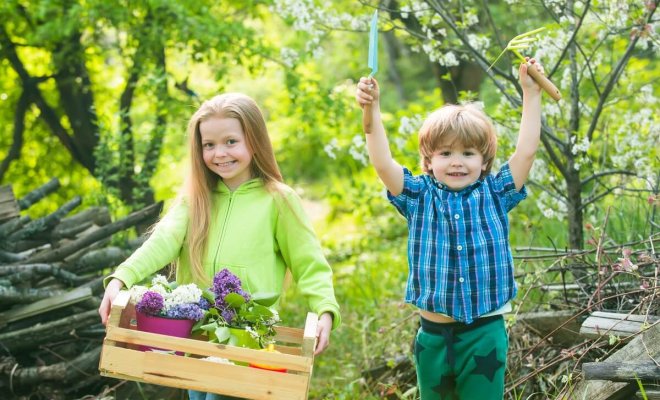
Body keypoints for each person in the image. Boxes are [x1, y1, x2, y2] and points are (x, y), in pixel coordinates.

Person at [98, 93, 341, 400]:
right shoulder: (194, 199)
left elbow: (310, 263)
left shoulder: (278, 200)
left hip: (245, 340)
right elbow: (162, 241)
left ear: (254, 140)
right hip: (195, 338)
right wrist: (122, 277)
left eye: (230, 141)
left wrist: (324, 311)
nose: (219, 153)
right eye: (209, 145)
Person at [355, 58, 543, 399]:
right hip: (433, 336)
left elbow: (526, 151)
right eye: (445, 153)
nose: (457, 161)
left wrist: (531, 94)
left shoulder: (495, 192)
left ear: (484, 161)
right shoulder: (418, 196)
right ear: (429, 161)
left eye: (468, 153)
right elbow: (382, 161)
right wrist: (372, 112)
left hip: (484, 334)